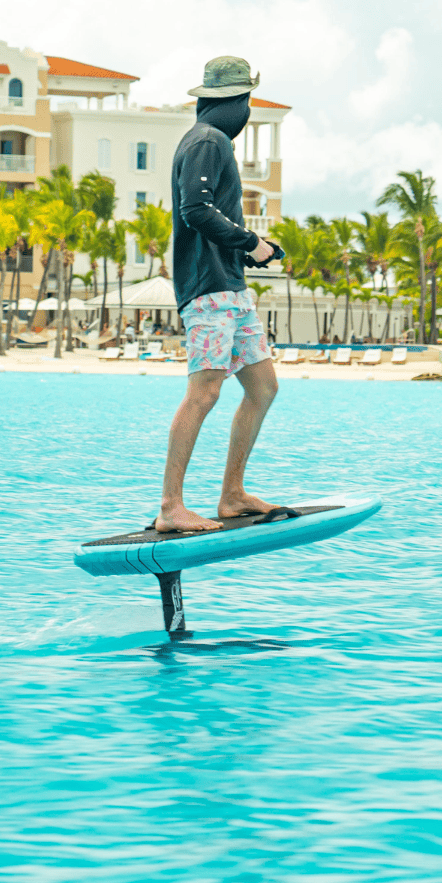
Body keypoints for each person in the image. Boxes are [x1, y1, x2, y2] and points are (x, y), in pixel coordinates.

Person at [156, 55, 281, 534]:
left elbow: (211, 219)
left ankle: (231, 495)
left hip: (230, 286)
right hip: (208, 292)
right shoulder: (209, 140)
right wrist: (252, 241)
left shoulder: (210, 140)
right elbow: (196, 210)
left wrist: (248, 253)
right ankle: (171, 507)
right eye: (247, 100)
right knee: (204, 392)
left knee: (263, 387)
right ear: (234, 102)